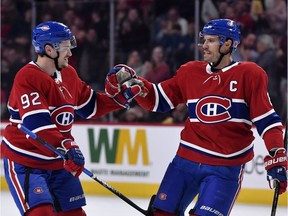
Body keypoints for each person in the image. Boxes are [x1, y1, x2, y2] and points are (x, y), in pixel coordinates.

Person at [107, 19, 288, 216]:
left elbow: (267, 120)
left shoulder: (250, 75)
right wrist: (137, 84)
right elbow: (159, 100)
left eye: (211, 40)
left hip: (224, 169)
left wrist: (277, 153)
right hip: (184, 161)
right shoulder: (190, 72)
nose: (204, 45)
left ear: (227, 44)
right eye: (204, 40)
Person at [1, 21, 143, 216]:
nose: (70, 53)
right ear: (49, 49)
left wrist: (118, 99)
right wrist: (68, 145)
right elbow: (37, 125)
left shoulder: (69, 74)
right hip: (27, 162)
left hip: (58, 161)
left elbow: (90, 107)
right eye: (66, 48)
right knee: (41, 213)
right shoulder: (27, 77)